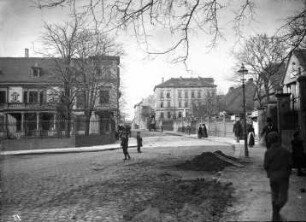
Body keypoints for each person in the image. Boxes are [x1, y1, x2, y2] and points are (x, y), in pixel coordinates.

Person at [264, 132, 292, 221]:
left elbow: (266, 165)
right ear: (278, 139)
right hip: (283, 178)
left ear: (269, 141)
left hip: (273, 177)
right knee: (283, 198)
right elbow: (290, 164)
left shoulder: (268, 152)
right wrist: (288, 172)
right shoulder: (285, 151)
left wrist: (269, 173)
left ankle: (275, 215)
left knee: (275, 195)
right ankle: (276, 212)